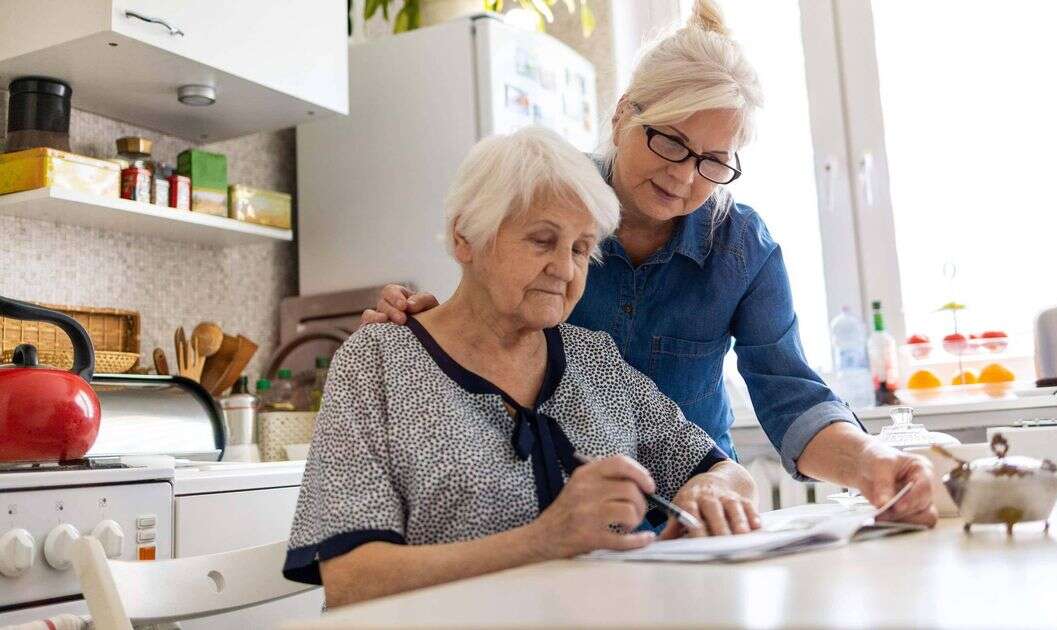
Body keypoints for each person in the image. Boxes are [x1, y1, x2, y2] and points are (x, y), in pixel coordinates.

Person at [362, 0, 936, 526]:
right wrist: (421, 329)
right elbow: (483, 324)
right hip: (561, 526)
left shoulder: (741, 247)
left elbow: (792, 396)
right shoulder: (553, 204)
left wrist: (871, 463)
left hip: (696, 517)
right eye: (670, 141)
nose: (684, 177)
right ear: (621, 117)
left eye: (713, 160)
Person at [284, 126, 759, 608]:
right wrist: (544, 539)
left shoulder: (595, 359)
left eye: (580, 247)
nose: (566, 269)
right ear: (465, 236)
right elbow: (350, 579)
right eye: (542, 240)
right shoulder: (376, 361)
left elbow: (722, 468)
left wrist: (712, 493)